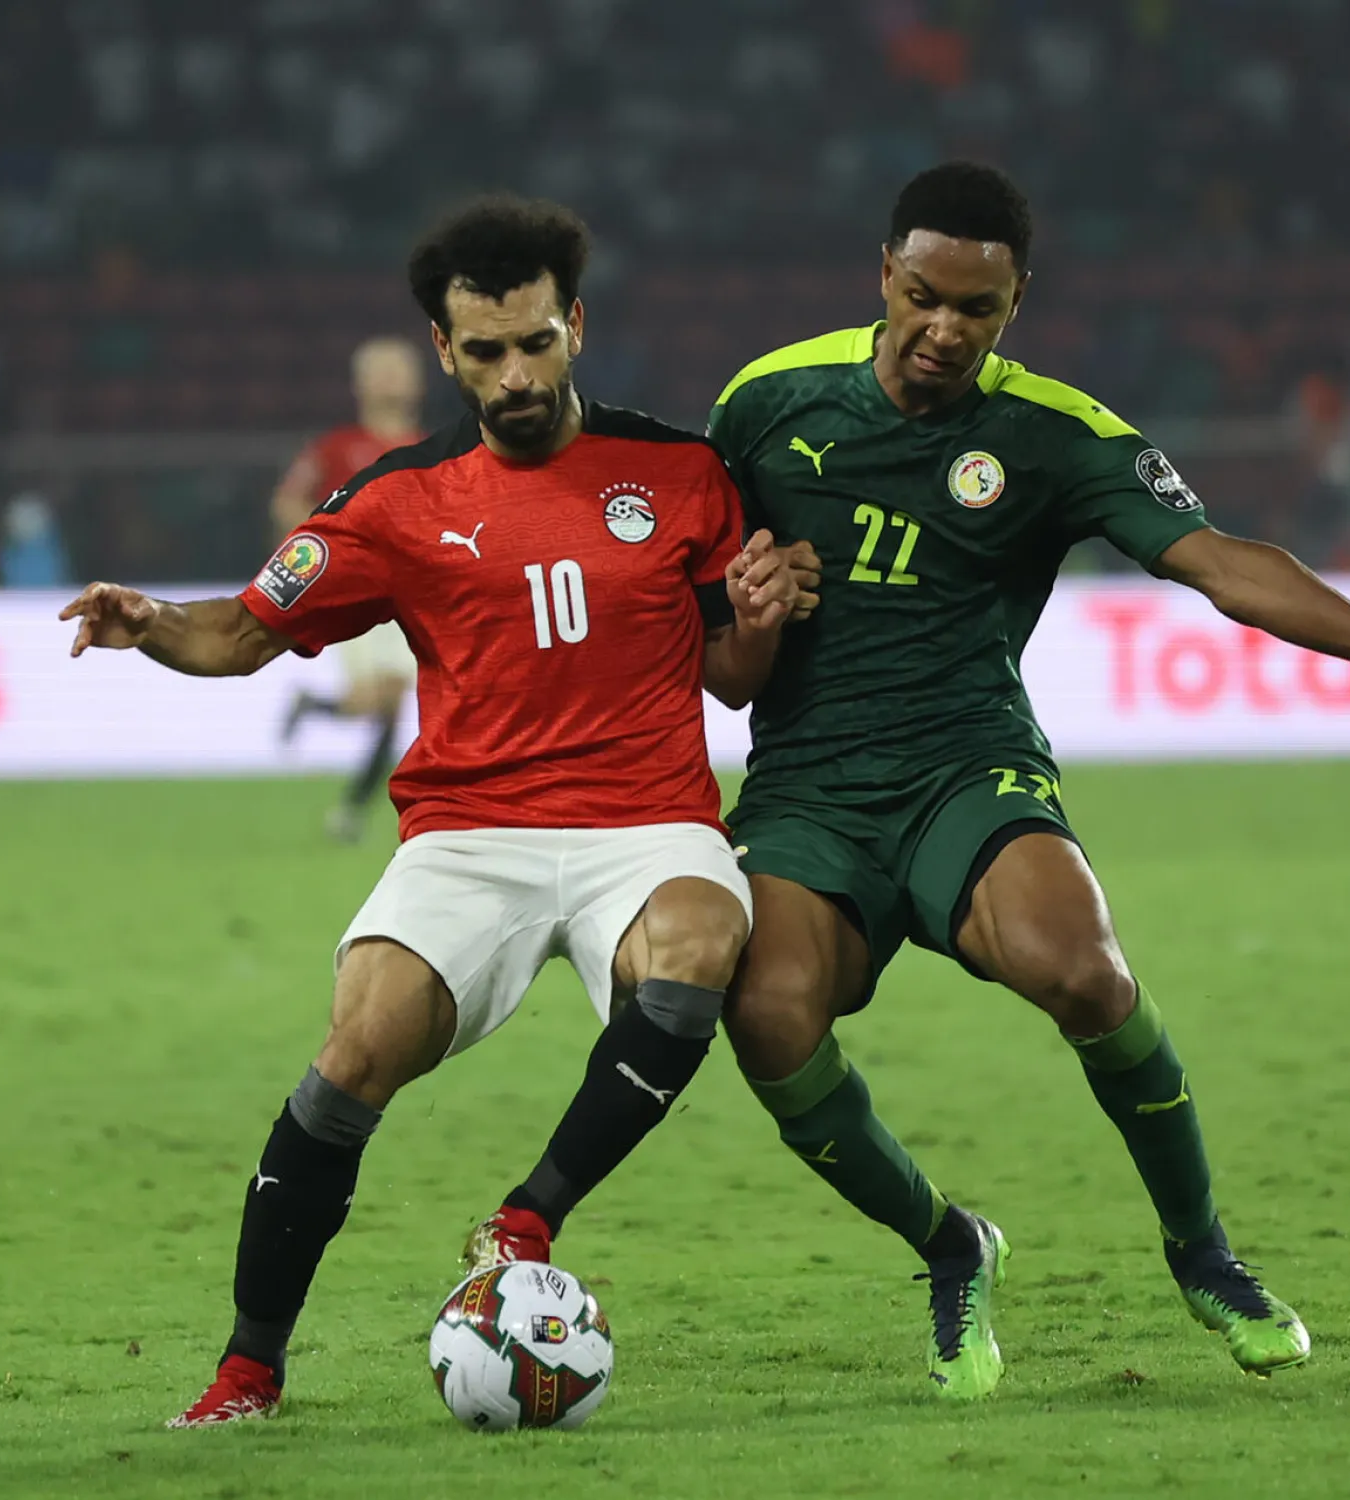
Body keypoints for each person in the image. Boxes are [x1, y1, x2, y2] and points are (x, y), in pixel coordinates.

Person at [60, 196, 808, 1428]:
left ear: (574, 325)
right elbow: (247, 630)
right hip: (472, 833)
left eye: (535, 344)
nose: (514, 375)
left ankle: (527, 1219)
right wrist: (152, 627)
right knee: (355, 1049)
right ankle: (250, 1369)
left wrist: (764, 619)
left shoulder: (681, 475)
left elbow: (733, 675)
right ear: (443, 348)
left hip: (648, 818)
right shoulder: (397, 501)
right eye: (485, 352)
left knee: (693, 953)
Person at [707, 160, 1350, 1401]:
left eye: (975, 310)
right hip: (806, 792)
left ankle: (1204, 1254)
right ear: (884, 274)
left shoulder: (1054, 434)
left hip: (966, 769)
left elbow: (1225, 565)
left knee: (1086, 971)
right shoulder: (766, 403)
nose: (943, 329)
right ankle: (952, 1244)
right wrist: (751, 621)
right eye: (923, 295)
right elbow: (715, 658)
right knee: (768, 1021)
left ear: (1015, 305)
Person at [273, 337, 427, 842]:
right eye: (380, 371)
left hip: (410, 596)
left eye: (398, 369)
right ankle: (354, 811)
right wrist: (323, 554)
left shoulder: (431, 448)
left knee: (388, 706)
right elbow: (288, 501)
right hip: (359, 596)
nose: (390, 380)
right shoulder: (336, 447)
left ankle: (350, 809)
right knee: (382, 700)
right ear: (360, 384)